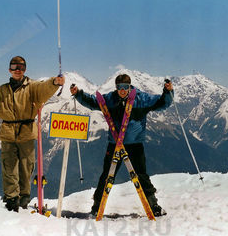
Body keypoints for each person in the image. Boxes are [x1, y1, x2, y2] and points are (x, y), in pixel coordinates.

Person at [0, 56, 65, 212]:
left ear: (25, 69)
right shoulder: (2, 90)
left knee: (26, 168)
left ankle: (24, 199)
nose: (18, 70)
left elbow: (43, 89)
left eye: (21, 67)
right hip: (8, 133)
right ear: (9, 69)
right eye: (14, 67)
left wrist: (54, 82)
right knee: (9, 167)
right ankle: (12, 200)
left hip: (26, 132)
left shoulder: (32, 87)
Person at [70, 74, 173, 217]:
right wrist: (78, 94)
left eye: (125, 87)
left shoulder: (141, 99)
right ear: (116, 87)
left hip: (135, 144)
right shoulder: (110, 99)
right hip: (115, 144)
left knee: (141, 176)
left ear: (130, 86)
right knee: (106, 176)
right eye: (119, 87)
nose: (122, 90)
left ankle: (153, 205)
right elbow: (94, 102)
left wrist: (168, 92)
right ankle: (96, 207)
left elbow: (162, 103)